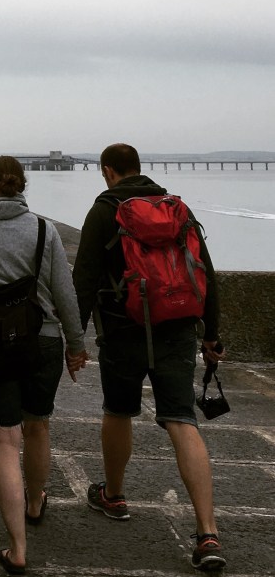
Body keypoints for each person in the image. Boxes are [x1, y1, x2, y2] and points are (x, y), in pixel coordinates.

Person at [73, 143, 226, 572]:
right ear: (140, 170)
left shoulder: (104, 210)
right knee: (181, 419)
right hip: (177, 328)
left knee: (118, 411)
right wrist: (210, 335)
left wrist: (74, 340)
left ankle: (115, 495)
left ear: (108, 171)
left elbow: (83, 279)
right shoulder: (176, 208)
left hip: (123, 331)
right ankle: (207, 533)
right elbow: (206, 273)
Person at [0, 155, 88, 576]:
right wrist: (76, 347)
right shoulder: (43, 228)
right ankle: (37, 501)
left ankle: (17, 548)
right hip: (42, 342)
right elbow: (65, 294)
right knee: (38, 424)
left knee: (5, 441)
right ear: (23, 184)